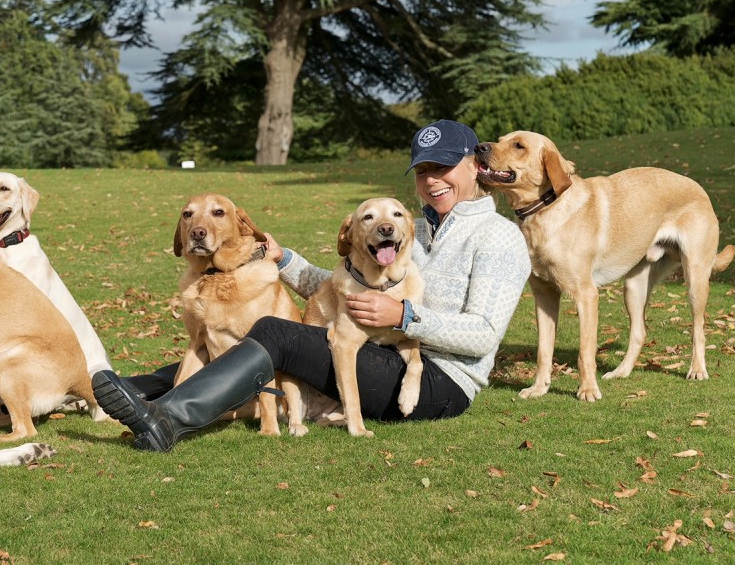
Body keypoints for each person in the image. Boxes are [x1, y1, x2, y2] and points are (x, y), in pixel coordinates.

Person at [92, 120, 532, 452]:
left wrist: (406, 317)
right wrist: (285, 261)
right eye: (422, 171)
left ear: (476, 167)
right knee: (241, 343)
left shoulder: (498, 237)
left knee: (272, 330)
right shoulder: (406, 226)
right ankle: (132, 391)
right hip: (372, 351)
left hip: (439, 381)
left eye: (444, 167)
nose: (432, 179)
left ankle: (167, 420)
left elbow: (483, 335)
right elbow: (341, 290)